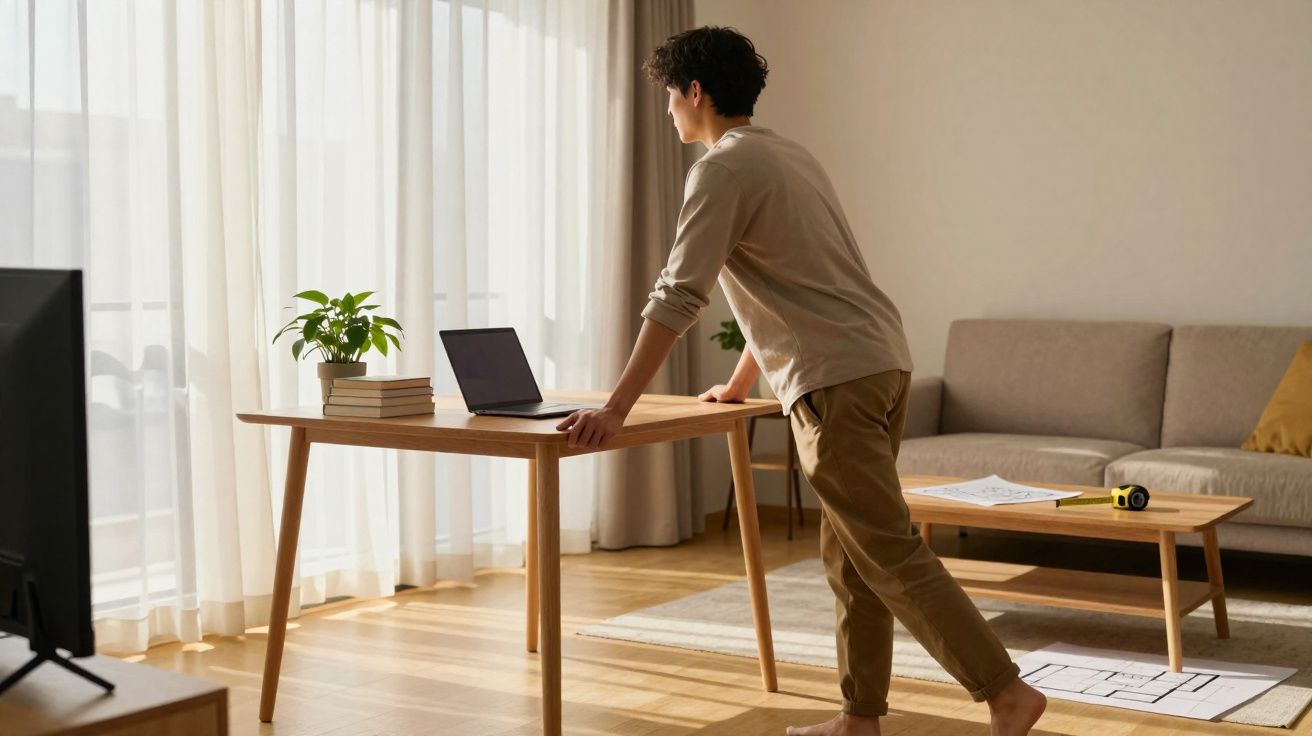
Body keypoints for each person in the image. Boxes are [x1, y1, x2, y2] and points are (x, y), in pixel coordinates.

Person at [555, 25, 1047, 736]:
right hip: (880, 361)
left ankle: (1005, 691)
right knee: (851, 554)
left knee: (884, 548)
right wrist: (740, 382)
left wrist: (615, 408)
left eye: (670, 95)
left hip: (835, 378)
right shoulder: (789, 155)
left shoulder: (720, 169)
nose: (667, 111)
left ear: (696, 91)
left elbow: (679, 293)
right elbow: (792, 284)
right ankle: (858, 719)